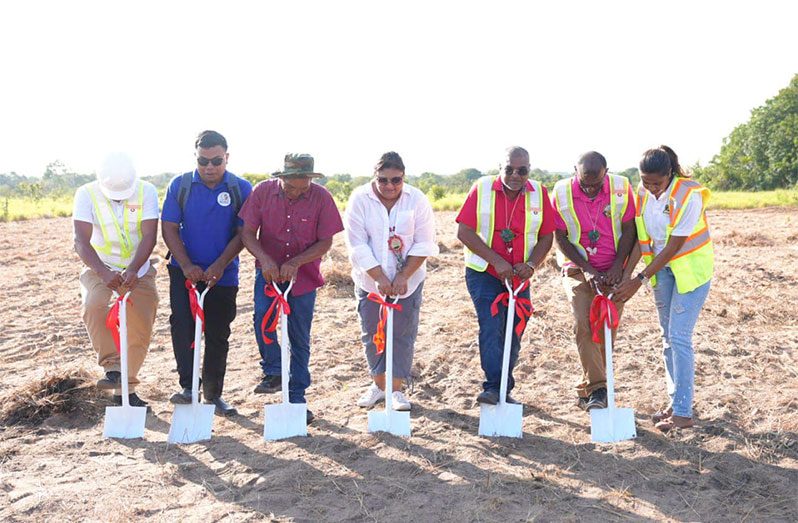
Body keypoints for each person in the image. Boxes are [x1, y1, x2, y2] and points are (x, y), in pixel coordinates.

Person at [614, 145, 713, 432]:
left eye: (656, 182)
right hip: (662, 273)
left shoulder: (689, 195)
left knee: (679, 337)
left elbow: (673, 246)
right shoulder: (643, 193)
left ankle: (683, 413)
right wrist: (627, 274)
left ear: (669, 173)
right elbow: (642, 240)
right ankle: (675, 403)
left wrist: (639, 280)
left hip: (690, 273)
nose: (651, 187)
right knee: (667, 338)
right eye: (645, 181)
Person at [240, 153, 344, 424]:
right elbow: (247, 233)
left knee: (299, 337)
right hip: (268, 273)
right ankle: (273, 371)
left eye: (303, 187)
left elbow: (325, 242)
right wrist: (265, 259)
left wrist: (297, 262)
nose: (296, 192)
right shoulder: (262, 192)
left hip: (304, 277)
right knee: (262, 321)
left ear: (310, 179)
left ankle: (296, 397)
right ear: (281, 178)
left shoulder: (322, 198)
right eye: (291, 187)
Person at [161, 130, 252, 416]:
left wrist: (220, 265)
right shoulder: (181, 185)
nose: (210, 167)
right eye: (203, 161)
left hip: (223, 276)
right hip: (184, 273)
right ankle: (189, 387)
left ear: (227, 157)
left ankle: (213, 394)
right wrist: (187, 265)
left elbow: (244, 233)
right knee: (183, 327)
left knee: (217, 334)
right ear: (195, 157)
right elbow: (169, 228)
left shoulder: (240, 188)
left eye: (216, 161)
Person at [456, 146, 555, 405]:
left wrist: (532, 264)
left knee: (513, 329)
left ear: (529, 170)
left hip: (519, 277)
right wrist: (497, 261)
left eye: (522, 171)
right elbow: (464, 232)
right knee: (491, 326)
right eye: (509, 169)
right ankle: (492, 387)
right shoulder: (482, 188)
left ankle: (504, 387)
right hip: (484, 272)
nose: (515, 175)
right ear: (500, 167)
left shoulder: (539, 193)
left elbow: (547, 236)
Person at [344, 152, 439, 411]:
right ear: (375, 177)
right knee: (373, 333)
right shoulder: (360, 199)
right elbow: (357, 243)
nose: (389, 186)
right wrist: (380, 277)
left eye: (395, 180)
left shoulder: (416, 199)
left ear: (403, 177)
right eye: (383, 180)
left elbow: (424, 242)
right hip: (369, 282)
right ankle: (378, 385)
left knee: (401, 334)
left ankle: (396, 391)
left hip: (407, 283)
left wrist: (402, 276)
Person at [551, 151, 637, 411]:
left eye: (596, 183)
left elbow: (631, 229)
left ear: (606, 172)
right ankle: (600, 389)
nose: (589, 189)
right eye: (584, 182)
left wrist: (616, 268)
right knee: (584, 323)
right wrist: (587, 269)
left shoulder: (621, 187)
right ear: (574, 170)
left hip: (613, 269)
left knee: (604, 329)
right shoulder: (562, 191)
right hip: (578, 268)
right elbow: (561, 237)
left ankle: (586, 389)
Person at [73, 152, 159, 408]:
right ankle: (112, 366)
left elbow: (149, 236)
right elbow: (80, 241)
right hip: (100, 266)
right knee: (94, 304)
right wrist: (103, 272)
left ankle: (127, 388)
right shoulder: (86, 194)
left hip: (138, 268)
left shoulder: (147, 191)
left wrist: (133, 269)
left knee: (140, 324)